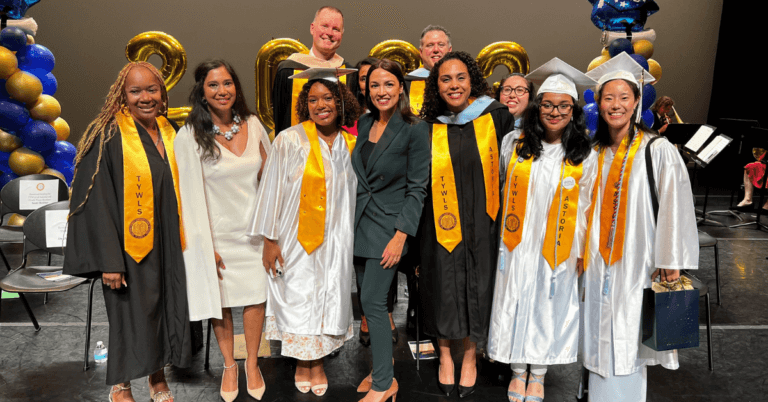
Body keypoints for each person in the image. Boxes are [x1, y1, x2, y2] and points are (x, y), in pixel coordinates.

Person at [63, 61, 192, 402]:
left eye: (152, 89)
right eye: (136, 91)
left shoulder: (171, 130)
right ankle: (121, 385)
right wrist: (109, 259)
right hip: (127, 248)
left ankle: (157, 378)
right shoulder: (106, 135)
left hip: (169, 243)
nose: (145, 97)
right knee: (129, 315)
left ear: (162, 94)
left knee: (163, 309)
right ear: (122, 95)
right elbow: (97, 202)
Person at [582, 53, 699, 401]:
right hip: (595, 261)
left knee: (630, 338)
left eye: (623, 97)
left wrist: (671, 260)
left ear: (636, 103)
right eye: (608, 98)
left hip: (639, 260)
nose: (615, 105)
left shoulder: (657, 150)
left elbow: (675, 207)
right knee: (597, 337)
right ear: (599, 103)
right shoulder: (593, 151)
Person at [486, 58, 597, 402]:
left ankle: (540, 373)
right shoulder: (514, 144)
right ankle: (518, 370)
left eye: (563, 106)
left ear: (573, 110)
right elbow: (502, 188)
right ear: (537, 108)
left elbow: (588, 205)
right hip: (517, 242)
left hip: (560, 244)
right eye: (547, 104)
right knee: (515, 299)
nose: (554, 112)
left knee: (549, 304)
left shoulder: (585, 154)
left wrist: (582, 249)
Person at [249, 68, 361, 397]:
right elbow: (271, 191)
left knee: (330, 296)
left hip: (336, 240)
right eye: (312, 99)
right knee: (297, 295)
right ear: (304, 104)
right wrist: (270, 239)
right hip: (295, 237)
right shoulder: (290, 139)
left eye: (327, 98)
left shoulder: (351, 144)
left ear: (341, 103)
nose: (320, 104)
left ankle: (319, 362)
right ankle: (302, 362)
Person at [418, 51, 515, 398]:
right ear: (436, 85)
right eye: (445, 79)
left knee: (480, 285)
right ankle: (445, 355)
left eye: (460, 77)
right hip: (439, 222)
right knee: (442, 287)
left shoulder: (496, 115)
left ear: (472, 80)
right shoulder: (428, 124)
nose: (454, 85)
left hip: (484, 221)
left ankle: (471, 356)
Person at [175, 59, 271, 401]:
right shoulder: (188, 135)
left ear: (236, 87)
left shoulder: (255, 125)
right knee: (222, 304)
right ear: (202, 93)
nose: (222, 90)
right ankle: (230, 366)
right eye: (213, 85)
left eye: (227, 83)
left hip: (254, 234)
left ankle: (253, 364)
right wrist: (202, 246)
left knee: (256, 299)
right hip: (215, 236)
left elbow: (270, 179)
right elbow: (185, 195)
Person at [352, 59, 430, 402]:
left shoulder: (414, 128)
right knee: (372, 307)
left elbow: (417, 188)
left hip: (388, 227)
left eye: (388, 84)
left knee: (371, 301)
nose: (380, 91)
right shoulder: (365, 120)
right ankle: (380, 368)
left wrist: (401, 235)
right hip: (359, 224)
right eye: (374, 85)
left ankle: (385, 384)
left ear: (401, 87)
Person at [272, 6, 347, 134]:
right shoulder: (288, 70)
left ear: (341, 34)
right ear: (312, 28)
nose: (329, 33)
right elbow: (281, 118)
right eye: (324, 26)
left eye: (336, 29)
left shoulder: (347, 73)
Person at [404, 25, 453, 115]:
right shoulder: (404, 85)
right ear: (421, 52)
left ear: (449, 50)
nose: (436, 50)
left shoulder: (464, 82)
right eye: (430, 45)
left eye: (441, 45)